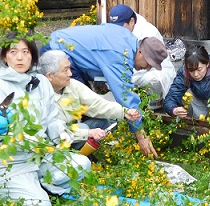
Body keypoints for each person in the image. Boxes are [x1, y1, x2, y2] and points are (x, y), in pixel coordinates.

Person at [42, 23, 168, 157]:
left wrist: (124, 112)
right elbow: (125, 96)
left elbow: (97, 101)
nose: (148, 69)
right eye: (149, 64)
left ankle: (80, 146)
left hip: (64, 45)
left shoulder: (129, 42)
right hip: (57, 50)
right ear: (141, 53)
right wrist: (140, 135)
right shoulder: (120, 55)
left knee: (92, 109)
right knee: (74, 109)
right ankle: (71, 154)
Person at [0, 33, 91, 206]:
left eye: (25, 52)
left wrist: (61, 132)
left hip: (42, 157)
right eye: (13, 51)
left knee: (82, 164)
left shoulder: (40, 82)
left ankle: (40, 187)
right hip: (13, 164)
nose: (20, 57)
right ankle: (15, 190)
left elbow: (52, 118)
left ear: (33, 55)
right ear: (4, 56)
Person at [38, 50, 140, 152]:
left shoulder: (72, 85)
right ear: (50, 76)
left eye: (69, 68)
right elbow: (56, 133)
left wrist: (124, 112)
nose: (70, 73)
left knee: (103, 122)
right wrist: (88, 133)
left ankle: (103, 157)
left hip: (75, 134)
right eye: (65, 70)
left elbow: (97, 104)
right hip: (55, 144)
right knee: (83, 127)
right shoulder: (39, 96)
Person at [109, 4, 176, 109]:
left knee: (152, 80)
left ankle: (153, 104)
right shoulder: (119, 31)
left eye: (120, 27)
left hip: (152, 70)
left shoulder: (148, 33)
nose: (116, 31)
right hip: (134, 70)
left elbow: (145, 65)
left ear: (131, 22)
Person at [163, 44, 210, 119]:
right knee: (188, 94)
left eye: (199, 69)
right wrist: (174, 109)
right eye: (191, 70)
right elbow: (171, 97)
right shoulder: (184, 73)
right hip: (198, 100)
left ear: (207, 63)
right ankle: (199, 119)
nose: (195, 74)